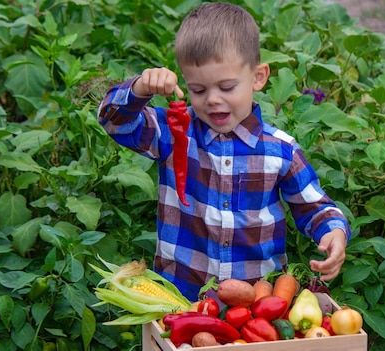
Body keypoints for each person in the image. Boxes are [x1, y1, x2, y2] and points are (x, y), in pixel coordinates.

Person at [97, 2, 350, 302]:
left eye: (227, 87)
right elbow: (114, 122)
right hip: (181, 298)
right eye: (199, 90)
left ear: (258, 77)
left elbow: (314, 206)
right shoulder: (175, 133)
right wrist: (139, 88)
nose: (213, 100)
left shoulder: (279, 150)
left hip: (257, 302)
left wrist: (333, 232)